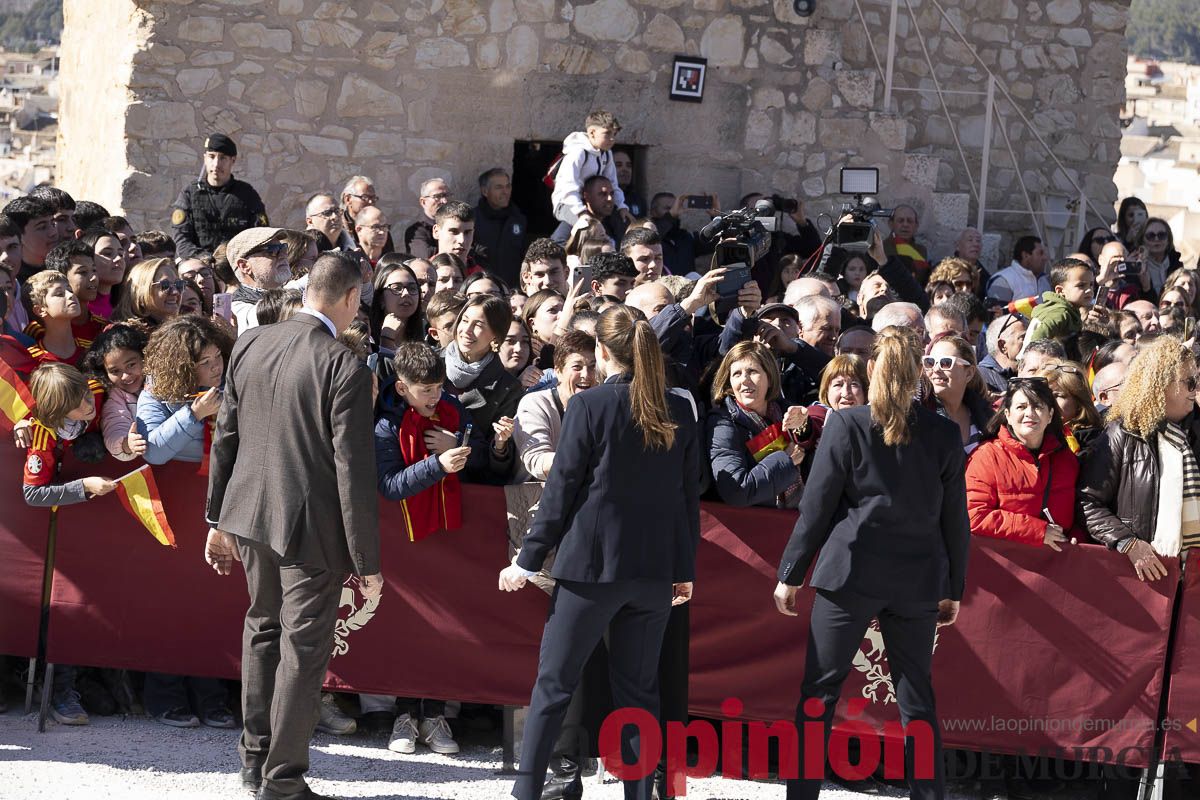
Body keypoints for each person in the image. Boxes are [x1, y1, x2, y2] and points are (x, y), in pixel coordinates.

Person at [498, 304, 700, 800]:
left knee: (553, 687)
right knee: (638, 696)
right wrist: (683, 568)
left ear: (603, 353)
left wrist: (525, 561)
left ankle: (524, 794)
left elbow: (562, 491)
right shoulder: (679, 407)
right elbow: (686, 496)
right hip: (653, 572)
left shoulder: (589, 406)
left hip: (590, 570)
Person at [203, 250, 383, 800]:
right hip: (310, 527)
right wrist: (367, 564)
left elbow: (225, 437)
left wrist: (216, 518)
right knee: (302, 651)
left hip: (248, 514)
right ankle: (282, 780)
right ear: (351, 298)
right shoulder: (344, 365)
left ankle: (255, 762)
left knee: (262, 629)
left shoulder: (252, 342)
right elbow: (353, 473)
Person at [773, 324, 968, 800]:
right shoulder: (944, 432)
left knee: (819, 693)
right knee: (916, 699)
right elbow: (955, 521)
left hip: (850, 574)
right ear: (918, 372)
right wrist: (953, 588)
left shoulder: (847, 423)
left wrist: (789, 574)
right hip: (916, 581)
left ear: (876, 370)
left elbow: (816, 507)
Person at [374, 341, 491, 755]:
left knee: (444, 627)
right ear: (403, 388)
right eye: (426, 389)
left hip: (448, 535)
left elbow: (479, 468)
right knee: (410, 630)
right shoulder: (386, 424)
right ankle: (403, 717)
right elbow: (388, 487)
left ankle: (436, 716)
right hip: (405, 540)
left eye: (439, 387)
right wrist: (436, 465)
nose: (435, 396)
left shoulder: (454, 414)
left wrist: (464, 449)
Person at [1078, 336, 1200, 575]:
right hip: (1142, 574)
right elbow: (1087, 501)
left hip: (1190, 578)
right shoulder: (1122, 434)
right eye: (1189, 382)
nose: (1194, 390)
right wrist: (1127, 542)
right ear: (1160, 384)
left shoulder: (1195, 433)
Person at [966, 376, 1078, 549]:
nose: (1030, 413)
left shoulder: (1066, 459)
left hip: (1059, 565)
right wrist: (1037, 531)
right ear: (1007, 415)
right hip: (1009, 567)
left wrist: (1077, 537)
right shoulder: (986, 457)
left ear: (1050, 415)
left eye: (1038, 406)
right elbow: (974, 516)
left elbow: (1082, 512)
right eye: (1021, 407)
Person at [707, 341, 808, 508]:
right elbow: (737, 490)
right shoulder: (722, 424)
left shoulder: (785, 412)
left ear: (769, 378)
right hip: (755, 526)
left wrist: (806, 428)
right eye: (737, 374)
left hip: (795, 518)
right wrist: (785, 459)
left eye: (752, 371)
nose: (744, 380)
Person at [441, 293, 519, 483]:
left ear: (495, 336)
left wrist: (458, 444)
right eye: (464, 320)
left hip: (465, 487)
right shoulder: (431, 363)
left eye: (478, 325)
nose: (466, 330)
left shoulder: (507, 388)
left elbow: (496, 466)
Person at [171, 133, 268, 259]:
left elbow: (260, 234)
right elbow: (181, 239)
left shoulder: (247, 194)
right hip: (200, 268)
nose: (216, 164)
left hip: (236, 267)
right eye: (212, 157)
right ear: (205, 158)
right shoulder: (189, 194)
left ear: (232, 161)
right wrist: (203, 259)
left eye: (223, 158)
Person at [550, 109, 633, 233]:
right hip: (567, 204)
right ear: (592, 133)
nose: (612, 139)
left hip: (590, 205)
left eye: (614, 135)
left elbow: (612, 183)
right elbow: (568, 186)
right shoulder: (578, 153)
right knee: (584, 229)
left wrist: (621, 206)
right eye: (607, 134)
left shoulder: (606, 154)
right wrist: (581, 212)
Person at [83, 323, 149, 462]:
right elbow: (114, 425)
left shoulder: (160, 378)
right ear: (104, 373)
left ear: (144, 357)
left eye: (131, 365)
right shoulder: (115, 396)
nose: (125, 376)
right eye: (115, 371)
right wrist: (128, 444)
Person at [922, 333, 992, 453]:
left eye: (946, 362)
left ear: (969, 373)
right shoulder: (921, 415)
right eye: (930, 362)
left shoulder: (984, 415)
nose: (936, 369)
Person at [225, 227, 291, 332]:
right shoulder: (237, 308)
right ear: (244, 266)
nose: (283, 255)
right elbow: (260, 317)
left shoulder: (292, 290)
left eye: (283, 248)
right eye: (273, 251)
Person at [473, 168, 527, 286]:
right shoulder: (472, 220)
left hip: (512, 289)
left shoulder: (519, 219)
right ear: (485, 191)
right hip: (484, 288)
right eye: (499, 187)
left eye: (508, 186)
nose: (505, 192)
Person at [986, 236, 1050, 304]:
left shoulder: (1044, 280)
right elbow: (997, 313)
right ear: (1025, 255)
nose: (1045, 258)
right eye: (1040, 253)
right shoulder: (1004, 281)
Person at [403, 177, 450, 258]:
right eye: (437, 196)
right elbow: (425, 258)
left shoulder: (455, 223)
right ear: (423, 202)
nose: (444, 201)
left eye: (446, 195)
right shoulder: (417, 231)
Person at [883, 205, 930, 284]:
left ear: (916, 226)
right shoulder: (881, 248)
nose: (905, 224)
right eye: (901, 221)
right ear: (891, 224)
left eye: (910, 221)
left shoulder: (921, 250)